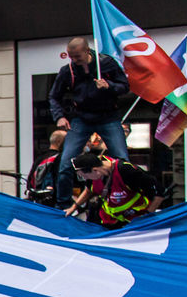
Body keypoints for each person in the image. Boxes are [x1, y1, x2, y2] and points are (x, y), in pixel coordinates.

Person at [50, 36, 131, 208]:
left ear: (87, 51)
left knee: (123, 161)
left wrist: (109, 86)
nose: (74, 60)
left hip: (108, 117)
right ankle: (63, 205)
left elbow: (125, 86)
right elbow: (54, 96)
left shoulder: (106, 63)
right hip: (82, 118)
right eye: (71, 57)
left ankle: (127, 197)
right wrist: (60, 117)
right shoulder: (68, 71)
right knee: (66, 163)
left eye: (77, 56)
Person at [64, 153, 160, 226]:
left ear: (95, 170)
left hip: (136, 220)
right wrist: (74, 207)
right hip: (110, 220)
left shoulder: (126, 171)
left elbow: (160, 192)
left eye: (84, 176)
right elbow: (88, 190)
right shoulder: (94, 175)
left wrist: (147, 216)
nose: (85, 179)